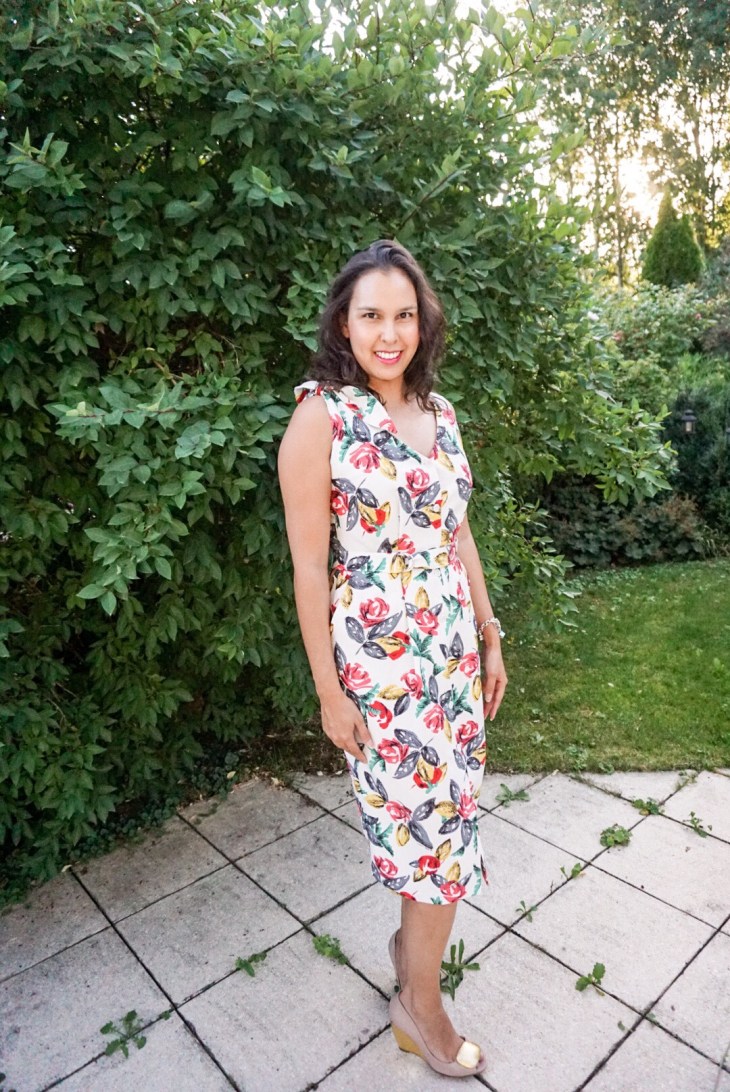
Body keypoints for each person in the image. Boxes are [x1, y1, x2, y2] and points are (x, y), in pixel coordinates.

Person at [278, 239, 508, 1078]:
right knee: (434, 847)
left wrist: (489, 629)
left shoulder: (439, 413)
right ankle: (420, 1007)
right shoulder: (323, 418)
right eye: (371, 314)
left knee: (445, 827)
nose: (389, 332)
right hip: (384, 679)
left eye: (404, 315)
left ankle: (413, 960)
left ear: (423, 322)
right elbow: (310, 568)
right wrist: (328, 693)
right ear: (344, 322)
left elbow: (456, 529)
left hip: (452, 664)